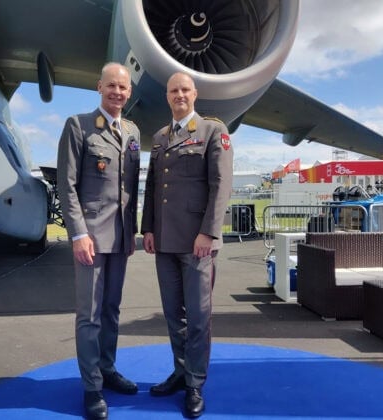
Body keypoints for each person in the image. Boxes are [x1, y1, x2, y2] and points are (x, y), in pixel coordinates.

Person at [141, 72, 233, 418]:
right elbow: (152, 188)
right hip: (164, 241)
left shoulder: (212, 132)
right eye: (173, 90)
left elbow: (220, 185)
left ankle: (195, 383)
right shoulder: (161, 137)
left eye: (184, 89)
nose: (179, 95)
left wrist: (208, 232)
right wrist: (148, 228)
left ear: (194, 94)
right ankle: (180, 372)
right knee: (172, 314)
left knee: (198, 317)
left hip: (198, 242)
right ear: (167, 96)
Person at [57, 62, 140, 420]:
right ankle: (92, 387)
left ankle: (107, 368)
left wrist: (132, 231)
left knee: (111, 310)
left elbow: (131, 189)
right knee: (89, 315)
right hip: (90, 236)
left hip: (120, 237)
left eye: (123, 88)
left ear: (129, 92)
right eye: (111, 86)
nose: (117, 92)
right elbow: (67, 185)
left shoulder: (133, 131)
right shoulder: (79, 126)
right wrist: (78, 233)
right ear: (99, 86)